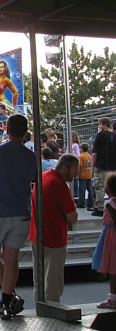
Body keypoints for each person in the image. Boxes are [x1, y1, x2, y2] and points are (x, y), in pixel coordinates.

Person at [0, 114, 37, 319]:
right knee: (12, 260)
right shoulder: (31, 157)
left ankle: (9, 297)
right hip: (20, 212)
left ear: (7, 130)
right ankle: (6, 299)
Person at [28, 154, 78, 304]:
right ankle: (52, 309)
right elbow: (72, 217)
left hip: (37, 234)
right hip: (54, 238)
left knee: (39, 278)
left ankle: (39, 306)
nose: (76, 173)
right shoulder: (60, 185)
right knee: (53, 281)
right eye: (75, 169)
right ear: (64, 168)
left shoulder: (42, 177)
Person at [93, 172, 116, 309]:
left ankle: (113, 297)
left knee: (113, 268)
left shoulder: (110, 203)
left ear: (107, 189)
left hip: (112, 236)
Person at [92, 118, 116, 215]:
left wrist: (93, 165)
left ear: (105, 125)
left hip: (101, 165)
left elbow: (94, 151)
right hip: (113, 166)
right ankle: (112, 206)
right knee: (113, 187)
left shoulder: (100, 135)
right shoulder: (114, 136)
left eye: (100, 124)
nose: (99, 126)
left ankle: (100, 208)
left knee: (99, 186)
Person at [79, 142, 95, 209]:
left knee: (82, 190)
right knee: (90, 190)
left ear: (82, 149)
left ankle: (81, 203)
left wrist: (78, 175)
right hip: (89, 175)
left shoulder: (81, 156)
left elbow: (80, 166)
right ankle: (90, 203)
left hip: (83, 175)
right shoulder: (89, 156)